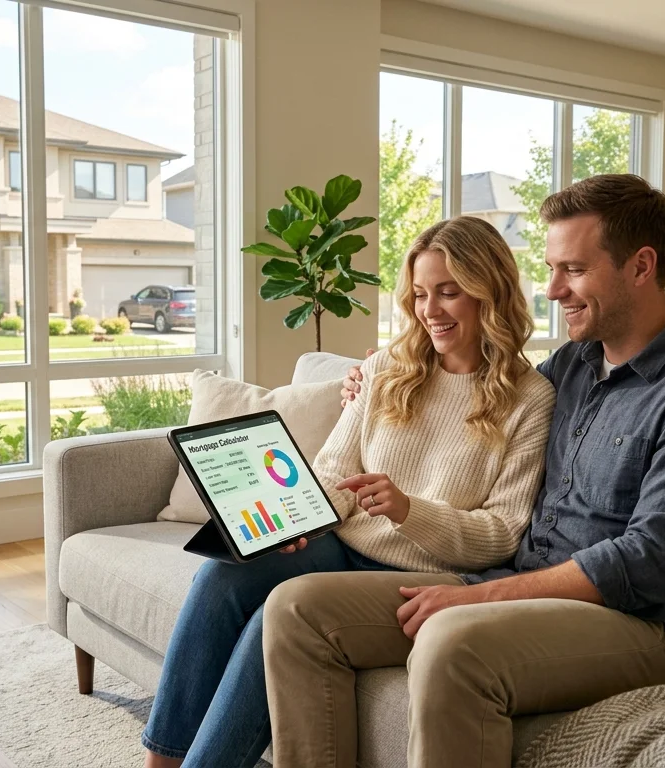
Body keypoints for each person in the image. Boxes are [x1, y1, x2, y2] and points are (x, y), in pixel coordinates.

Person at [262, 174, 665, 768]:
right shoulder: (574, 366)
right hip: (514, 587)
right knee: (297, 610)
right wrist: (374, 371)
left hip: (639, 624)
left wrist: (485, 597)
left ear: (642, 265)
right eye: (552, 269)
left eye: (573, 270)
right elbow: (479, 381)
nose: (553, 290)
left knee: (450, 644)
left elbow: (649, 563)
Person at [141, 216, 557, 768]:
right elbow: (333, 467)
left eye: (449, 292)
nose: (430, 310)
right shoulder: (388, 367)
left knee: (275, 618)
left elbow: (502, 536)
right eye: (420, 294)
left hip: (426, 575)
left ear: (491, 292)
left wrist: (410, 511)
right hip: (341, 544)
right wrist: (299, 519)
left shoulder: (530, 398)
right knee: (225, 570)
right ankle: (160, 761)